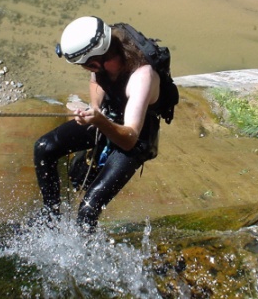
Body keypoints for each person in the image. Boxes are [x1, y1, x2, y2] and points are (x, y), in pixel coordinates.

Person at [33, 16, 162, 230]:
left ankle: (84, 257)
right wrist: (95, 109)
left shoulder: (141, 76)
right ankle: (51, 219)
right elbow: (96, 80)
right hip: (107, 118)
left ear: (95, 62)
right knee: (44, 148)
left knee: (88, 210)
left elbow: (129, 139)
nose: (86, 70)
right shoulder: (102, 60)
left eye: (85, 66)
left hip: (135, 138)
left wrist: (100, 121)